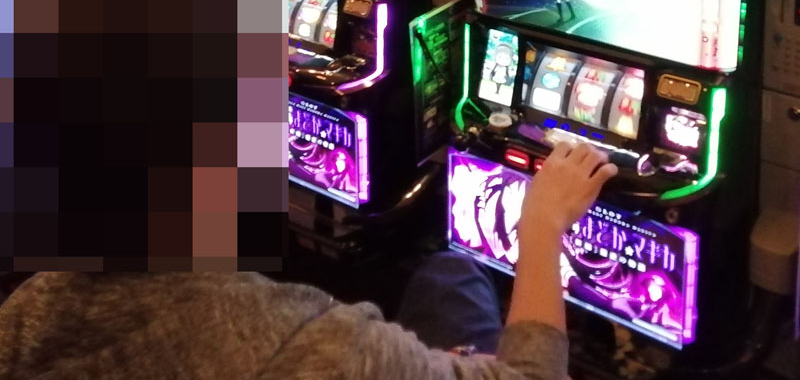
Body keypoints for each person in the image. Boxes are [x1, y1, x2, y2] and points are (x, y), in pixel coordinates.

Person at [0, 143, 617, 380]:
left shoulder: (39, 301)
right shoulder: (293, 340)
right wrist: (541, 225)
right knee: (454, 274)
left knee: (447, 274)